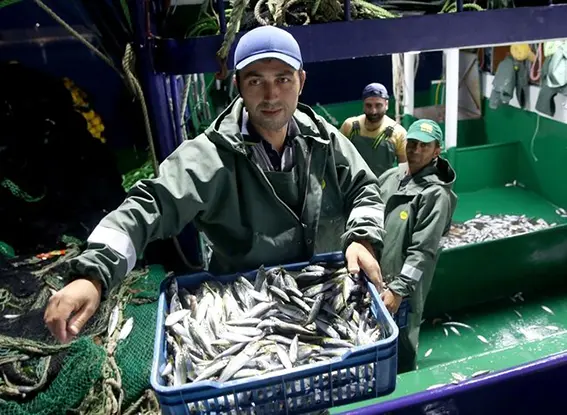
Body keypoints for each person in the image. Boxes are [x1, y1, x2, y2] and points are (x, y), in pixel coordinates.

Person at [44, 26, 386, 343]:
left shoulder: (322, 138)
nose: (271, 95)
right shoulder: (208, 157)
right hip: (244, 309)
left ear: (301, 81)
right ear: (237, 84)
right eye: (256, 81)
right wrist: (92, 275)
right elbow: (149, 207)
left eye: (283, 79)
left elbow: (364, 187)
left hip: (316, 292)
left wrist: (362, 237)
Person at [377, 119, 457, 373]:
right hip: (376, 275)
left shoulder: (437, 196)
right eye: (411, 143)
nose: (415, 150)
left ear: (437, 150)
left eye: (424, 146)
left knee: (400, 340)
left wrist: (399, 289)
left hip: (404, 287)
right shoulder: (391, 176)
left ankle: (402, 393)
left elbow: (423, 251)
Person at [340, 83, 407, 178]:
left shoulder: (399, 133)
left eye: (378, 105)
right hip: (352, 188)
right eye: (369, 105)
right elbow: (336, 158)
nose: (373, 111)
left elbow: (404, 170)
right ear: (363, 105)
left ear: (386, 105)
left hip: (383, 189)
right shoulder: (349, 126)